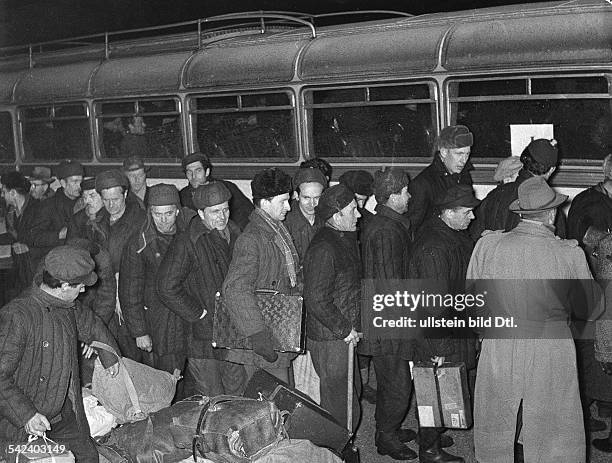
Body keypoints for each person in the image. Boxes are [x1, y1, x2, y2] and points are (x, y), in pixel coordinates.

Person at [467, 176, 597, 463]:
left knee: (495, 414)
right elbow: (590, 307)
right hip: (550, 345)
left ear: (521, 214)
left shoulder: (489, 245)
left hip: (501, 340)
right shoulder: (568, 252)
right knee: (555, 422)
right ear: (551, 214)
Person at [0, 245, 120, 461]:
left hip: (64, 413)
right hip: (27, 423)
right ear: (64, 286)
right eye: (81, 286)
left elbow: (91, 324)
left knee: (88, 457)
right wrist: (26, 415)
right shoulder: (17, 316)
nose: (83, 291)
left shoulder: (67, 304)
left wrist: (108, 355)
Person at [408, 184, 481, 463]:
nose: (472, 217)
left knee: (442, 390)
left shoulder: (450, 234)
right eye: (466, 212)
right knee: (434, 391)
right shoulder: (434, 248)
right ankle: (429, 450)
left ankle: (433, 436)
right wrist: (439, 347)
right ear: (447, 213)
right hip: (438, 333)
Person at [158, 182, 245, 396]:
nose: (222, 217)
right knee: (213, 397)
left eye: (225, 209)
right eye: (215, 212)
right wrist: (198, 313)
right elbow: (166, 287)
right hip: (203, 338)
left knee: (237, 393)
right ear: (200, 213)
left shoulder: (235, 233)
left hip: (233, 333)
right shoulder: (188, 242)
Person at [222, 168, 300, 389]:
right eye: (283, 201)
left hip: (277, 330)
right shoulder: (252, 239)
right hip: (263, 338)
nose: (288, 207)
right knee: (271, 403)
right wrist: (257, 334)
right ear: (265, 203)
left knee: (281, 398)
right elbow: (235, 289)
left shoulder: (275, 230)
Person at [360, 168, 417, 460]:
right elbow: (389, 284)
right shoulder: (385, 231)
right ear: (393, 197)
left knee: (391, 380)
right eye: (405, 191)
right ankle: (385, 437)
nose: (409, 196)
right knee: (397, 383)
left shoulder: (388, 224)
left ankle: (389, 428)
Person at [119, 184, 194, 377]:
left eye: (168, 214)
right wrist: (139, 332)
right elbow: (129, 292)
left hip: (189, 319)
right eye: (157, 214)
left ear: (177, 211)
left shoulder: (189, 235)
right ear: (150, 213)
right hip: (157, 325)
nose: (163, 220)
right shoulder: (139, 244)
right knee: (163, 381)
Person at [303, 184, 362, 429]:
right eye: (353, 210)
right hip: (331, 338)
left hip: (340, 334)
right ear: (336, 217)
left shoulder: (341, 238)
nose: (358, 215)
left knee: (350, 394)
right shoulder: (325, 247)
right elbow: (316, 298)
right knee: (341, 406)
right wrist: (344, 329)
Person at [567, 153, 612, 438]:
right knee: (591, 357)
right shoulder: (588, 204)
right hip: (592, 291)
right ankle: (583, 415)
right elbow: (585, 244)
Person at [95, 169, 146, 362]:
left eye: (115, 198)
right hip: (106, 298)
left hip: (133, 300)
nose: (111, 205)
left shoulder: (139, 222)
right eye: (106, 199)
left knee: (135, 359)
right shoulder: (97, 223)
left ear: (125, 194)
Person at [471, 138, 567, 240]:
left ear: (524, 161)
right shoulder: (550, 204)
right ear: (552, 169)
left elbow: (476, 236)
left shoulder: (494, 195)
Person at [407, 125, 474, 232]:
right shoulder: (423, 184)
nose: (464, 160)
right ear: (443, 152)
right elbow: (413, 227)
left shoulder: (465, 176)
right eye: (459, 154)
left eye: (467, 154)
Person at [179, 152, 254, 230]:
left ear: (207, 172)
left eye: (198, 171)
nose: (193, 176)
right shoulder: (182, 196)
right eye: (189, 172)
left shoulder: (226, 188)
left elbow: (247, 215)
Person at [30, 160, 84, 258]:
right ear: (63, 183)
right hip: (56, 259)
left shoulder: (84, 203)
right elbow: (34, 237)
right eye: (75, 182)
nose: (79, 186)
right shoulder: (49, 206)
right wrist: (58, 235)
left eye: (81, 181)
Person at [0, 171, 41, 293]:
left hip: (35, 267)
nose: (2, 195)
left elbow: (49, 241)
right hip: (20, 265)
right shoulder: (11, 212)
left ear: (12, 193)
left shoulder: (38, 210)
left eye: (4, 192)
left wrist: (28, 247)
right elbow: (14, 236)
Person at [284, 167, 327, 263]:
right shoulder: (285, 223)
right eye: (306, 197)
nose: (312, 204)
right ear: (296, 195)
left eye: (317, 198)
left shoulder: (328, 218)